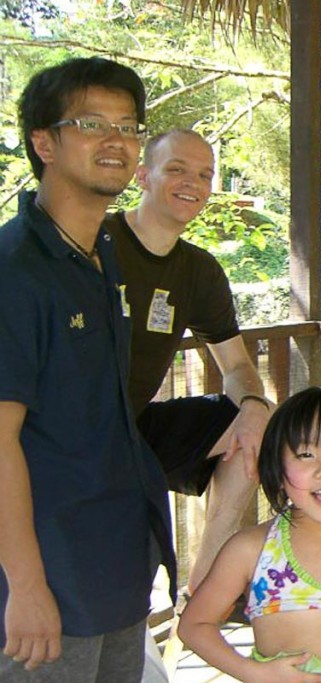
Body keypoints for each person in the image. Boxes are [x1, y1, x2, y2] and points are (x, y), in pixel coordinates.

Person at [0, 57, 176, 681]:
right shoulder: (17, 270)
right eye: (91, 123)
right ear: (43, 142)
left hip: (117, 561)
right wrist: (24, 586)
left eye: (129, 127)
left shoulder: (102, 251)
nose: (117, 142)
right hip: (50, 579)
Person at [103, 128, 271, 593]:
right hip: (75, 439)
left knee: (252, 430)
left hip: (136, 428)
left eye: (204, 174)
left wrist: (256, 407)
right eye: (176, 169)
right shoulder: (97, 242)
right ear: (142, 175)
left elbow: (236, 366)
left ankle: (201, 588)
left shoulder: (199, 270)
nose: (192, 183)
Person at [178, 387, 321, 680]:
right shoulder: (250, 550)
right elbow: (194, 626)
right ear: (277, 470)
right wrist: (252, 672)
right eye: (306, 454)